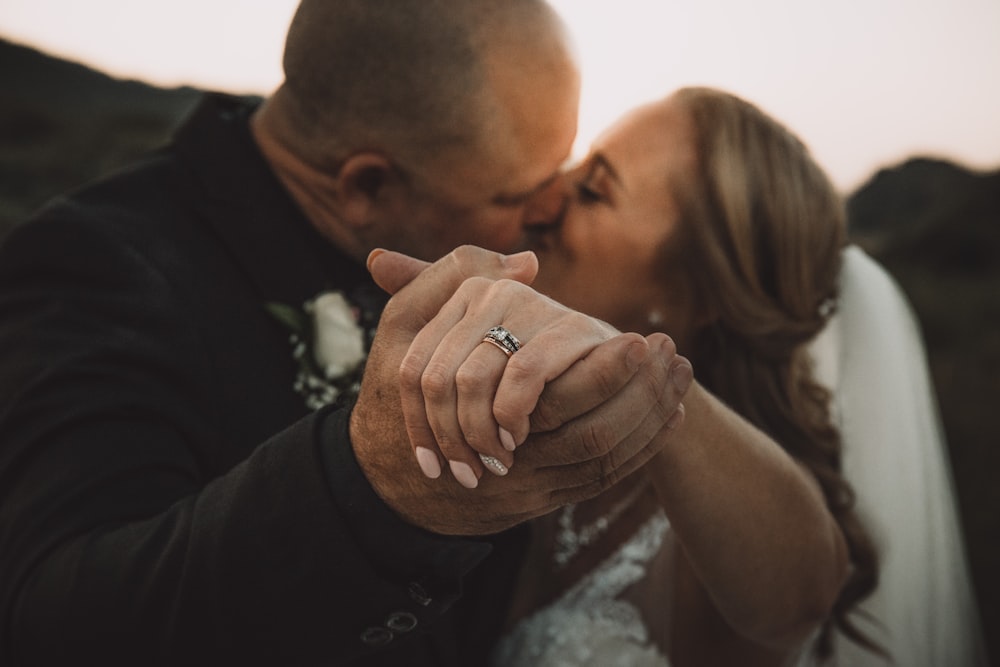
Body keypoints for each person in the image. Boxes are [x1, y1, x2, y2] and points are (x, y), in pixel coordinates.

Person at [0, 2, 694, 664]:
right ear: (365, 186)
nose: (545, 216)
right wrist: (374, 487)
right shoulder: (90, 263)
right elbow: (55, 626)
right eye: (514, 197)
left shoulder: (472, 261)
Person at [386, 87, 985, 666]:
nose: (542, 202)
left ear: (701, 296)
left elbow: (799, 598)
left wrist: (636, 366)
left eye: (592, 191)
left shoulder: (738, 511)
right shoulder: (514, 407)